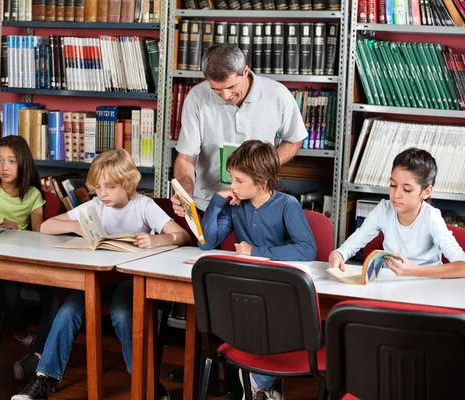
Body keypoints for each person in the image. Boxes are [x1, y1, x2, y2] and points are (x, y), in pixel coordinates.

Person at [11, 148, 191, 400]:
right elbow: (46, 226)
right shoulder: (95, 205)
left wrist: (157, 239)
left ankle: (146, 382)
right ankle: (43, 379)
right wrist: (76, 225)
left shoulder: (144, 205)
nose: (102, 193)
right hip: (98, 277)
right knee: (68, 311)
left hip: (132, 278)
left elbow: (182, 235)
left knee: (121, 312)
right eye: (98, 186)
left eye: (110, 187)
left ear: (127, 184)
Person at [199, 140, 316, 400]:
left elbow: (307, 250)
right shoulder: (236, 205)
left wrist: (256, 251)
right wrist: (216, 203)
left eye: (239, 180)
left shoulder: (287, 205)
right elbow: (206, 242)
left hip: (280, 290)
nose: (233, 187)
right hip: (246, 287)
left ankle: (257, 388)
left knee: (266, 319)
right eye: (232, 179)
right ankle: (262, 389)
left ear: (262, 182)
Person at [171, 43, 308, 216]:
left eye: (231, 87)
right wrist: (185, 192)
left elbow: (294, 139)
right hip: (208, 203)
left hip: (259, 203)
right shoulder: (197, 97)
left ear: (244, 72)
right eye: (217, 90)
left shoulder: (278, 94)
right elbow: (186, 157)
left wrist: (263, 165)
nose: (226, 96)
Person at [0, 135, 59, 381]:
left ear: (23, 163)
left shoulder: (31, 194)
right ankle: (22, 334)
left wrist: (16, 230)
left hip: (17, 257)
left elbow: (40, 234)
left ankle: (39, 350)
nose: (4, 167)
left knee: (49, 292)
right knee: (8, 292)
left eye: (11, 161)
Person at [330, 147, 465, 278]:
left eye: (406, 189)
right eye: (393, 185)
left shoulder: (431, 217)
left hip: (427, 286)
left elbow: (463, 267)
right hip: (390, 285)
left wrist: (416, 271)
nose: (396, 195)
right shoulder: (384, 209)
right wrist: (338, 254)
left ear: (426, 192)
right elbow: (357, 239)